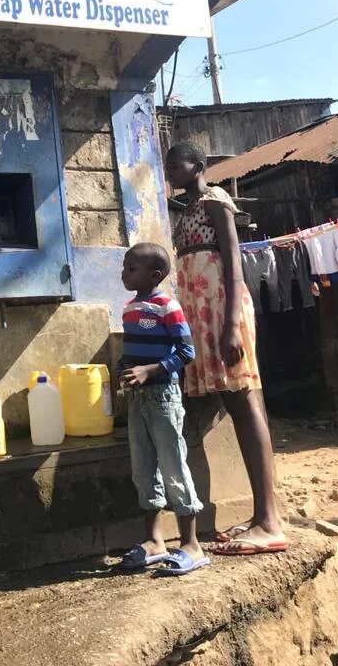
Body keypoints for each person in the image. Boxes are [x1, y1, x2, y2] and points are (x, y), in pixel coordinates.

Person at [165, 141, 288, 556]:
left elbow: (233, 264)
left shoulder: (216, 200)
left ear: (198, 165)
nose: (169, 170)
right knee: (237, 407)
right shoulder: (184, 211)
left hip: (221, 312)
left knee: (245, 403)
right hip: (203, 317)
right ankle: (261, 518)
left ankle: (269, 521)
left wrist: (232, 325)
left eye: (175, 164)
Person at [118, 242, 209, 575]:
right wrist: (123, 368)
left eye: (131, 268)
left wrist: (150, 371)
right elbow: (130, 351)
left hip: (163, 399)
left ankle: (191, 545)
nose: (124, 273)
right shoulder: (129, 308)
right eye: (125, 267)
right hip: (138, 400)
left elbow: (186, 352)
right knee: (143, 469)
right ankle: (154, 541)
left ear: (154, 275)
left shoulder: (167, 306)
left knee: (174, 467)